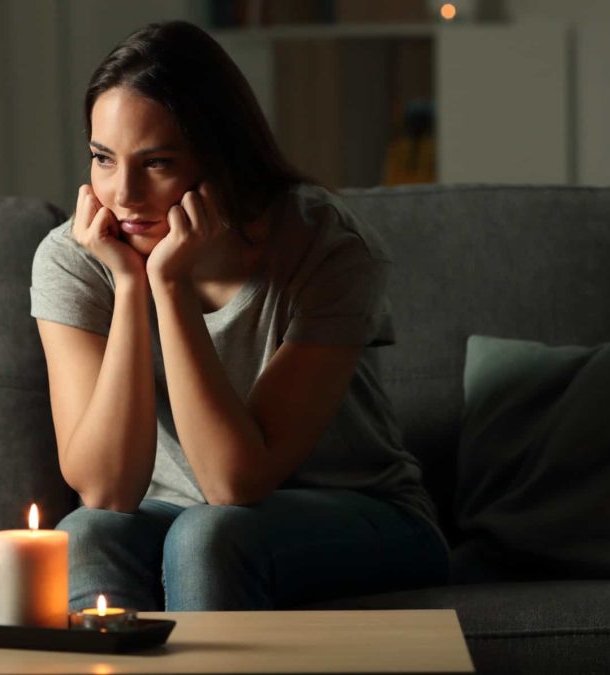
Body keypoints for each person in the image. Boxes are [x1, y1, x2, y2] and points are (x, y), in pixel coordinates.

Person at [29, 20, 449, 612]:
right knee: (82, 537)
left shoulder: (325, 246)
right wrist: (129, 287)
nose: (122, 195)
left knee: (212, 535)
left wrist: (168, 285)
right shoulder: (75, 260)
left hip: (362, 514)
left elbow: (234, 484)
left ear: (221, 159)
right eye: (103, 159)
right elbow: (107, 489)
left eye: (157, 163)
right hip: (173, 516)